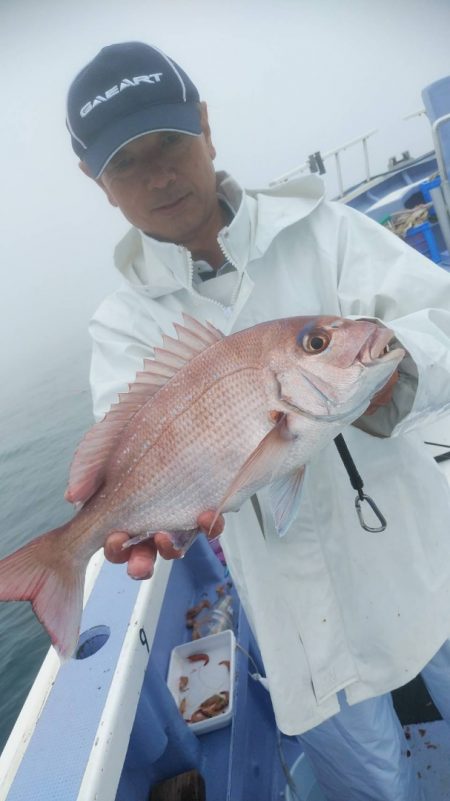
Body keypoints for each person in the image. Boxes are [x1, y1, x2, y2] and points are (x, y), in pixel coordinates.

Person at [66, 42, 450, 801]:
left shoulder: (326, 229)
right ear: (98, 184)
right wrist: (152, 524)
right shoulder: (121, 325)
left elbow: (438, 316)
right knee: (381, 789)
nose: (160, 174)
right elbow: (135, 460)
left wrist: (394, 372)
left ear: (206, 127)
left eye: (169, 141)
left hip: (420, 561)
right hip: (297, 622)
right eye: (126, 163)